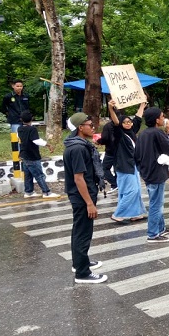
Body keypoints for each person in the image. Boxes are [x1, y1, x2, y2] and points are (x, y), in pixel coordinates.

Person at [63, 112, 107, 284]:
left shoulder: (77, 145)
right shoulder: (79, 148)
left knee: (79, 230)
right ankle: (82, 273)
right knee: (83, 233)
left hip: (81, 195)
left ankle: (80, 262)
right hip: (82, 197)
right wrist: (89, 203)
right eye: (90, 124)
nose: (93, 127)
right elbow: (78, 178)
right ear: (81, 127)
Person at [134, 107, 169, 243]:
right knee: (156, 204)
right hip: (156, 173)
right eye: (161, 116)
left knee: (157, 201)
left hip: (148, 172)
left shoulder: (143, 134)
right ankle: (153, 233)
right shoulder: (157, 133)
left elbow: (136, 156)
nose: (163, 118)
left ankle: (161, 227)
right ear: (156, 119)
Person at [108, 99, 147, 223]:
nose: (128, 124)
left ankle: (137, 212)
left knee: (137, 190)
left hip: (133, 165)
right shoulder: (119, 134)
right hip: (124, 166)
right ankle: (118, 213)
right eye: (124, 122)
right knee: (131, 191)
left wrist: (142, 105)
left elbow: (138, 118)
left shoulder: (131, 132)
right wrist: (110, 109)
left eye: (129, 122)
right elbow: (115, 122)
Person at [18, 110, 60, 199]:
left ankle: (28, 192)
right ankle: (46, 192)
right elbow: (36, 140)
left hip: (24, 155)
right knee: (39, 175)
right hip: (32, 156)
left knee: (28, 175)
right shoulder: (32, 129)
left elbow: (21, 138)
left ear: (21, 119)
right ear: (32, 118)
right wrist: (48, 144)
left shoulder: (20, 128)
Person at [96, 117, 118, 194]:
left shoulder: (108, 126)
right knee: (117, 169)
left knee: (104, 168)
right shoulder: (123, 125)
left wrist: (98, 141)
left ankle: (115, 184)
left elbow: (105, 138)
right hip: (121, 152)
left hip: (111, 151)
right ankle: (118, 184)